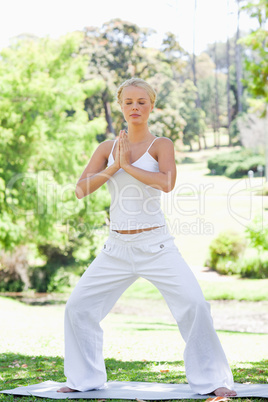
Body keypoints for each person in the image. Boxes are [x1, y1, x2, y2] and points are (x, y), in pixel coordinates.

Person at [58, 78, 237, 397]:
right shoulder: (106, 149)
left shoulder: (161, 145)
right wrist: (116, 165)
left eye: (142, 102)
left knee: (194, 305)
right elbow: (80, 189)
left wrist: (128, 165)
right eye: (128, 102)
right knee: (78, 307)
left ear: (152, 106)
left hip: (156, 245)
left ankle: (213, 381)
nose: (135, 107)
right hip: (115, 248)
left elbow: (166, 182)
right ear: (120, 106)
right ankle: (83, 379)